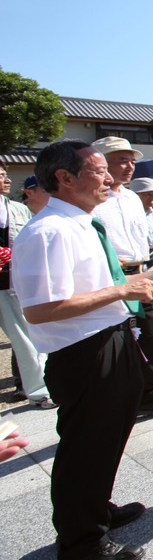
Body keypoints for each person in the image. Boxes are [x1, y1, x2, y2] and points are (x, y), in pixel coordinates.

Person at [11, 140, 153, 560]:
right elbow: (41, 309)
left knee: (106, 438)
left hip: (110, 338)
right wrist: (123, 290)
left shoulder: (83, 225)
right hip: (82, 353)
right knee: (85, 448)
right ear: (64, 178)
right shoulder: (47, 231)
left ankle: (96, 509)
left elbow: (101, 286)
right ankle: (80, 546)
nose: (109, 178)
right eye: (98, 170)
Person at [91, 137, 153, 415]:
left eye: (132, 160)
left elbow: (140, 241)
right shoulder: (93, 198)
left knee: (149, 335)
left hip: (139, 272)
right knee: (111, 340)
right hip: (107, 276)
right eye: (121, 159)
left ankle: (150, 392)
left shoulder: (133, 198)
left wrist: (150, 278)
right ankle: (115, 395)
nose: (129, 166)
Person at [0, 166, 51, 408]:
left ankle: (39, 391)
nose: (6, 179)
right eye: (0, 175)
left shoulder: (19, 210)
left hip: (10, 284)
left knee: (26, 339)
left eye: (5, 174)